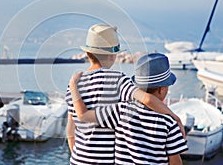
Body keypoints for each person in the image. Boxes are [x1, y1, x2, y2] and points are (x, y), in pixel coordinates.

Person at [65, 24, 184, 165]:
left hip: (78, 160)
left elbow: (70, 132)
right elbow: (146, 99)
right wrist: (175, 118)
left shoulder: (73, 85)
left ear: (88, 54)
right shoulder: (118, 81)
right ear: (112, 55)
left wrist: (79, 157)